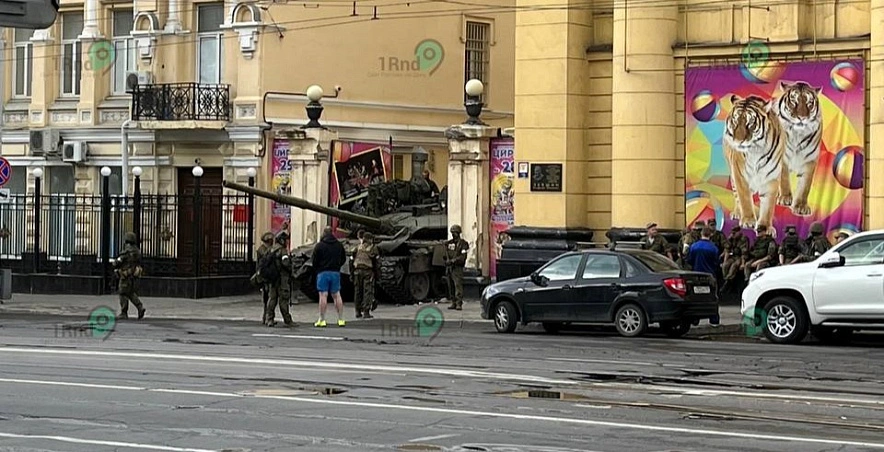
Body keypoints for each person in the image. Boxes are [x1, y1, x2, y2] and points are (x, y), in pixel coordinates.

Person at [313, 226, 347, 327]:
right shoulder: (339, 245)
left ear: (323, 233)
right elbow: (343, 258)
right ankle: (341, 319)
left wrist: (318, 269)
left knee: (323, 296)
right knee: (337, 295)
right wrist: (337, 266)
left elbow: (314, 260)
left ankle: (322, 320)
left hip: (323, 273)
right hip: (335, 272)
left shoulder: (319, 246)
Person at [686, 227, 721, 325]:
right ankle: (714, 320)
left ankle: (695, 319)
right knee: (712, 298)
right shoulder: (713, 248)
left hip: (696, 276)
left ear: (701, 234)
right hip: (710, 276)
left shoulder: (694, 246)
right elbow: (716, 263)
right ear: (710, 235)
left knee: (696, 298)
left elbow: (689, 260)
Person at [266, 231, 295, 327]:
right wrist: (291, 269)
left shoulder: (271, 249)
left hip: (272, 279)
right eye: (286, 240)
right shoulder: (282, 250)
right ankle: (287, 320)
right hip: (282, 278)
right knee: (283, 299)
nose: (287, 242)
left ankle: (269, 319)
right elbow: (285, 263)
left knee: (272, 299)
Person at [115, 232, 145, 320]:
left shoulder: (126, 251)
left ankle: (124, 312)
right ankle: (140, 307)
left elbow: (118, 262)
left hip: (125, 275)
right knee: (131, 293)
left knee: (122, 292)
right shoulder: (137, 251)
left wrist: (115, 263)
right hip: (134, 275)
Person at [352, 231, 378, 319]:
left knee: (358, 291)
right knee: (368, 291)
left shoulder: (358, 247)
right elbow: (375, 261)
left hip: (357, 271)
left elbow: (352, 259)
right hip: (367, 271)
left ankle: (357, 311)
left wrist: (352, 273)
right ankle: (366, 311)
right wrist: (376, 273)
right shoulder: (372, 248)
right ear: (370, 239)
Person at [445, 224, 470, 310]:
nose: (453, 234)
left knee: (457, 285)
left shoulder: (463, 244)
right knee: (450, 286)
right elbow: (445, 253)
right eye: (452, 233)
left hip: (457, 268)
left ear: (458, 233)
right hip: (449, 268)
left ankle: (459, 303)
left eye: (455, 232)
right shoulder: (449, 244)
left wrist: (453, 260)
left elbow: (463, 256)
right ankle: (453, 302)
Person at [722, 225, 750, 290]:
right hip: (733, 256)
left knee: (734, 266)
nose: (733, 235)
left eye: (735, 233)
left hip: (740, 257)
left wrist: (743, 264)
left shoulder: (743, 239)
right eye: (732, 233)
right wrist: (725, 261)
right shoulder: (731, 238)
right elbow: (727, 250)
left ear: (739, 232)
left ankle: (728, 282)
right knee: (725, 265)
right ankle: (726, 280)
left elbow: (744, 252)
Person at [255, 231, 275, 320]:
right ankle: (267, 316)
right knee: (269, 297)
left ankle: (266, 315)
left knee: (266, 297)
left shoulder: (261, 249)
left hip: (264, 275)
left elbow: (258, 265)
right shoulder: (267, 250)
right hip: (268, 276)